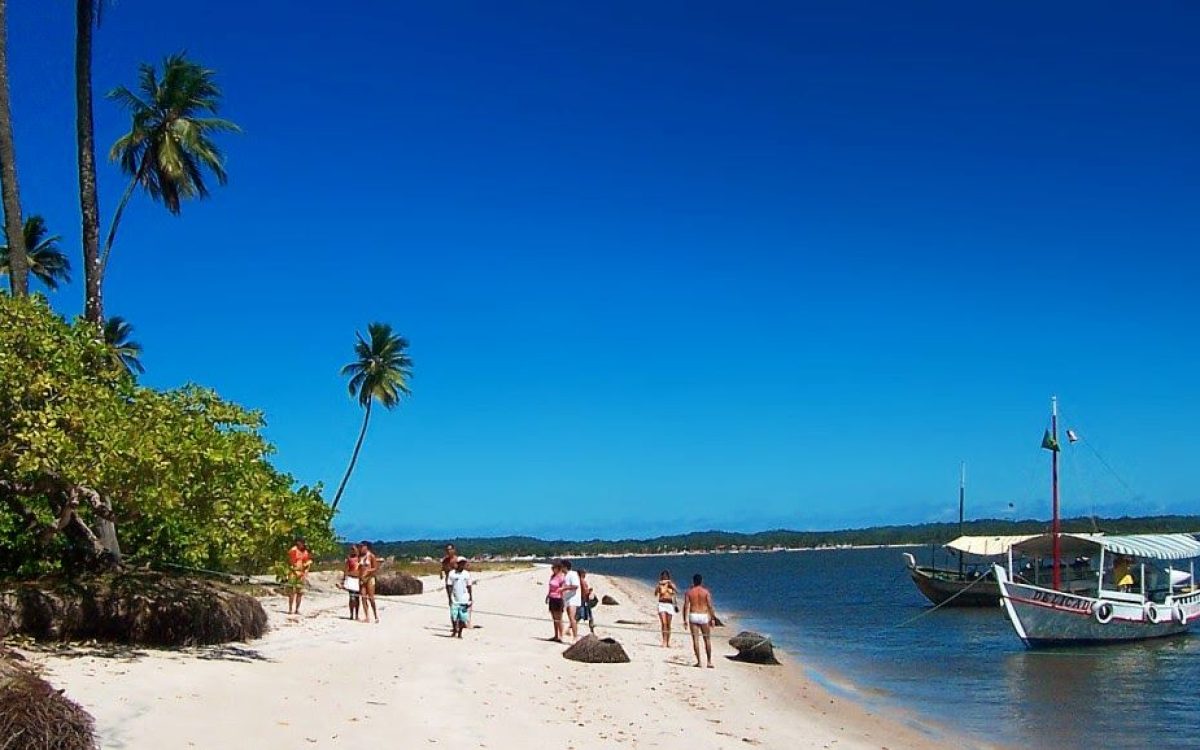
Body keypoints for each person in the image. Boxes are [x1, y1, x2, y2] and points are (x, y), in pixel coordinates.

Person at [682, 573, 717, 668]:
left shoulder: (689, 592)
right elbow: (710, 606)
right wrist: (713, 618)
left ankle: (699, 662)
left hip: (693, 615)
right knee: (707, 639)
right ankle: (709, 661)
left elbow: (685, 606)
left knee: (696, 640)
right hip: (703, 615)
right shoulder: (706, 592)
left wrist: (684, 619)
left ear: (693, 581)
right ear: (701, 581)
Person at [445, 557, 474, 638]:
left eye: (464, 563)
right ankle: (454, 630)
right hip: (454, 598)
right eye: (461, 563)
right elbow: (449, 586)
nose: (462, 565)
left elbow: (469, 586)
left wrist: (470, 597)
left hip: (464, 598)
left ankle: (460, 633)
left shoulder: (467, 574)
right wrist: (449, 598)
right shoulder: (452, 573)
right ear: (457, 564)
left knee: (462, 617)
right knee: (454, 615)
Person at [286, 537, 312, 615]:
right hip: (294, 573)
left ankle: (297, 609)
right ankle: (290, 609)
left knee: (300, 592)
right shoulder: (293, 550)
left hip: (301, 574)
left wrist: (306, 571)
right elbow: (291, 562)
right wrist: (296, 570)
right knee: (292, 592)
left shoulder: (305, 552)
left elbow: (307, 562)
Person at [340, 543, 364, 621]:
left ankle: (356, 614)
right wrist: (344, 580)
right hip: (351, 578)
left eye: (354, 549)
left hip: (358, 579)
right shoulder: (349, 559)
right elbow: (346, 570)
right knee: (352, 598)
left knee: (357, 598)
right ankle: (351, 614)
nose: (353, 551)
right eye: (351, 549)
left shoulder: (360, 559)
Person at [654, 569, 678, 647]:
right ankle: (664, 641)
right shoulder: (660, 585)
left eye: (666, 576)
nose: (664, 578)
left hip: (669, 605)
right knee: (663, 623)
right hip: (662, 604)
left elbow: (676, 591)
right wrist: (658, 587)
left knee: (668, 624)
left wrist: (669, 583)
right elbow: (655, 594)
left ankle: (668, 642)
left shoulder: (671, 584)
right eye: (663, 576)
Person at [358, 540, 380, 623]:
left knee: (371, 598)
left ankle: (375, 615)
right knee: (363, 598)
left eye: (362, 546)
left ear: (366, 547)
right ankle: (367, 616)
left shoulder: (371, 556)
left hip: (370, 578)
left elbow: (375, 568)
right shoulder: (360, 557)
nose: (361, 548)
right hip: (362, 579)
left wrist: (368, 571)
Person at [561, 559, 582, 641]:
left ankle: (575, 636)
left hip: (573, 599)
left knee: (572, 618)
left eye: (561, 567)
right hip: (567, 598)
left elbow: (575, 586)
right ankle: (571, 633)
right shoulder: (565, 575)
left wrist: (565, 588)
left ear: (565, 567)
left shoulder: (572, 574)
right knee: (570, 618)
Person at [546, 561, 566, 642]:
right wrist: (548, 596)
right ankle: (556, 635)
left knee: (559, 618)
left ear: (558, 568)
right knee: (554, 618)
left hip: (558, 598)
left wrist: (563, 598)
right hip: (552, 598)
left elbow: (564, 588)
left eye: (554, 568)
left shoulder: (562, 577)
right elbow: (550, 587)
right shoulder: (552, 576)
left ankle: (561, 636)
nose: (553, 569)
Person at [576, 569, 596, 635]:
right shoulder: (581, 580)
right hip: (584, 600)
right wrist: (589, 593)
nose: (585, 574)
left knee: (580, 615)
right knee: (584, 615)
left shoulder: (579, 580)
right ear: (582, 573)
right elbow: (584, 591)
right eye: (584, 573)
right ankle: (592, 630)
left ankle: (572, 628)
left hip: (582, 599)